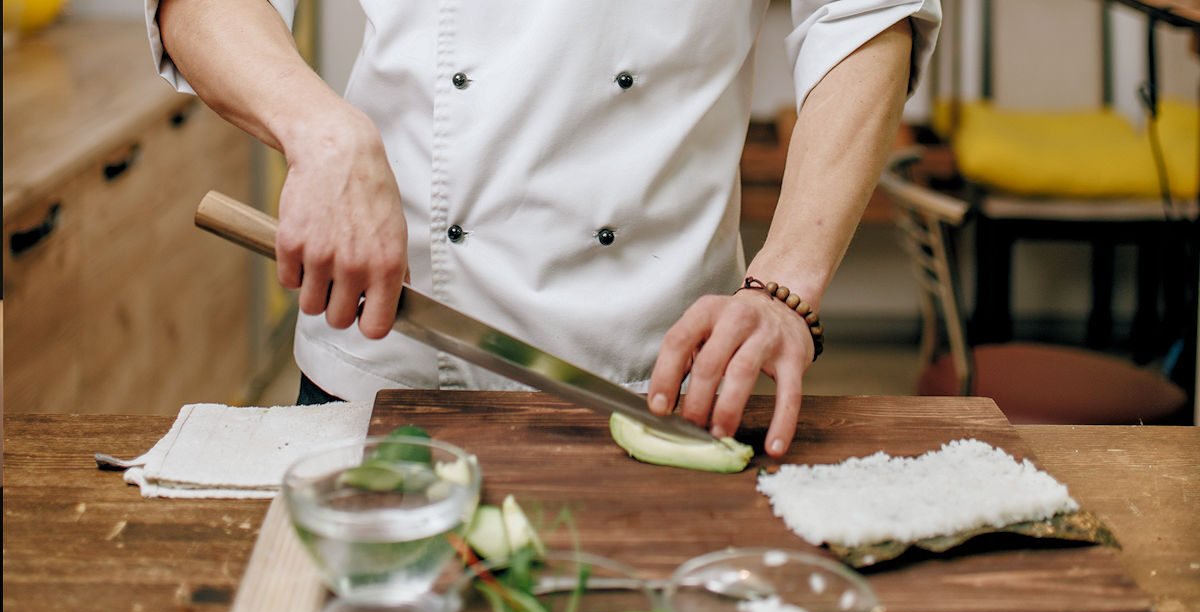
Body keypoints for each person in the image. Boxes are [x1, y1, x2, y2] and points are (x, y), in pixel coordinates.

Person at [148, 1, 940, 457]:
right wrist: (322, 133)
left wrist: (784, 284)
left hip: (659, 371)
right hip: (386, 356)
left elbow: (863, 14)